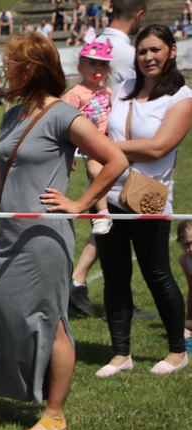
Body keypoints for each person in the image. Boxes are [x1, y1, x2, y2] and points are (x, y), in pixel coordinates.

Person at [0, 33, 126, 430]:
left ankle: (54, 414)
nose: (7, 73)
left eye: (13, 65)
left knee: (51, 320)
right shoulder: (12, 115)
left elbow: (115, 159)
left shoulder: (63, 115)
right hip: (10, 233)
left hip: (45, 238)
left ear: (32, 69)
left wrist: (80, 204)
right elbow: (3, 174)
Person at [94, 24, 192, 376]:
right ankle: (121, 354)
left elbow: (158, 147)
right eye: (142, 51)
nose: (148, 57)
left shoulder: (181, 98)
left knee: (157, 274)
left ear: (171, 51)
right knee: (115, 275)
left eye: (155, 49)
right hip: (107, 194)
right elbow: (102, 129)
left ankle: (177, 351)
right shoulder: (123, 89)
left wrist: (104, 147)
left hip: (148, 198)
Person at [69, 0, 149, 317]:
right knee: (117, 215)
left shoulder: (105, 83)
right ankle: (85, 285)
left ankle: (81, 284)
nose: (99, 71)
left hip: (112, 148)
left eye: (103, 68)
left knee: (120, 220)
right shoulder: (131, 54)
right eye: (93, 66)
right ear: (139, 14)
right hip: (105, 149)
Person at [62, 41, 115, 235]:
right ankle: (102, 214)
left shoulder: (109, 92)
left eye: (103, 64)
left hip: (113, 143)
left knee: (102, 174)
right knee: (96, 171)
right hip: (91, 145)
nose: (98, 68)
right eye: (92, 63)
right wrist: (69, 153)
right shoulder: (75, 94)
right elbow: (63, 123)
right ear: (80, 67)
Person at [175, 221, 192, 351]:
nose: (191, 248)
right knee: (176, 325)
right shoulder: (185, 261)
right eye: (186, 244)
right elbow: (191, 291)